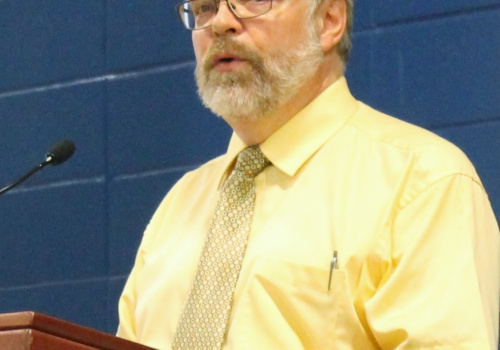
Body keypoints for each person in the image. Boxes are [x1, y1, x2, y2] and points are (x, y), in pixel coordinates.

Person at [116, 0, 500, 348]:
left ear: (329, 21)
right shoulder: (178, 207)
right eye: (204, 7)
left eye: (250, 1)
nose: (220, 23)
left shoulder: (422, 185)